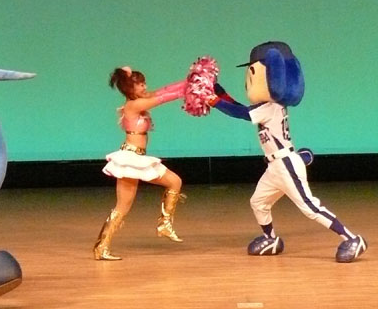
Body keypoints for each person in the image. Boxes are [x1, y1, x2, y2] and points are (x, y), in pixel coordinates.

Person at [209, 41, 367, 263]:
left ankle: (352, 238)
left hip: (285, 164)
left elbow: (240, 113)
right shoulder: (266, 106)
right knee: (258, 202)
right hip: (275, 167)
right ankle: (271, 239)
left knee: (310, 207)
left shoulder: (271, 106)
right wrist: (218, 91)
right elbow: (240, 108)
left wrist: (213, 101)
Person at [93, 67, 187, 261]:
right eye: (140, 84)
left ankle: (165, 224)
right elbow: (165, 98)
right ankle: (101, 247)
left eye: (144, 83)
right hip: (130, 159)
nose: (145, 87)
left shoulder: (140, 100)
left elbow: (164, 90)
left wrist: (190, 81)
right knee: (122, 207)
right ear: (130, 88)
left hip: (139, 158)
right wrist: (190, 88)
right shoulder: (133, 106)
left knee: (175, 182)